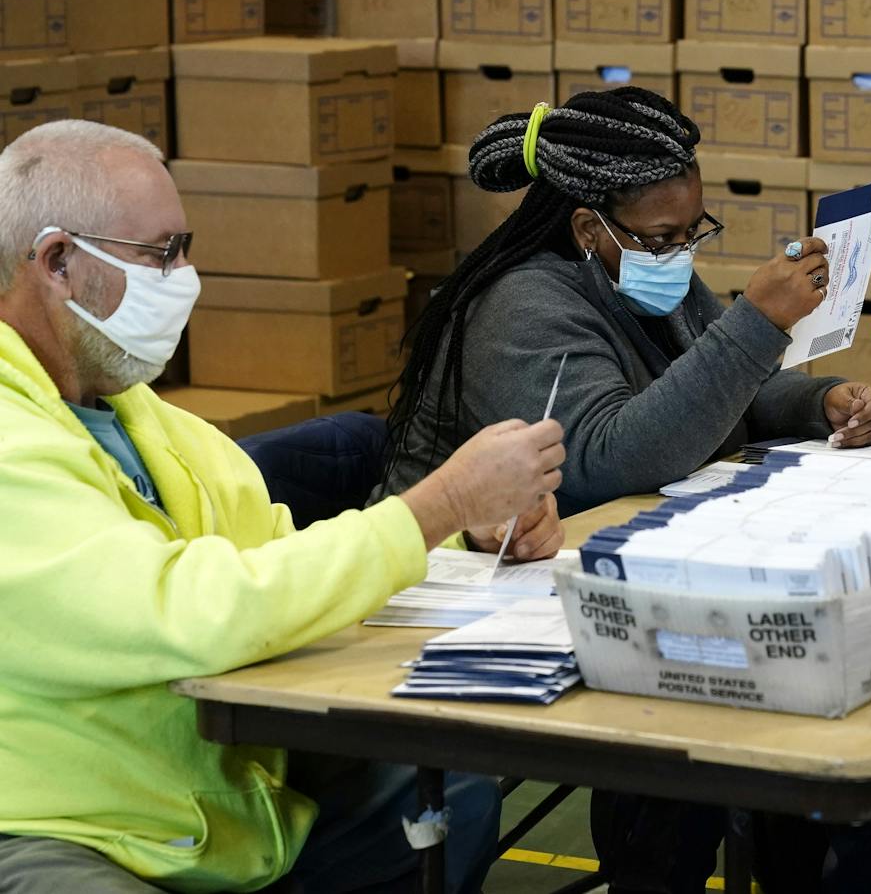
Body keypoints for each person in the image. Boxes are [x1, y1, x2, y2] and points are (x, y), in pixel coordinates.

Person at [0, 120, 567, 893]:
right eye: (163, 253)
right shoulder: (12, 442)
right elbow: (193, 609)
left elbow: (284, 577)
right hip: (71, 826)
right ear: (60, 262)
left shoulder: (147, 419)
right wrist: (439, 501)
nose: (187, 276)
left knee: (448, 799)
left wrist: (468, 537)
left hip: (213, 799)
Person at [382, 87, 871, 516]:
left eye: (693, 231)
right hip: (454, 570)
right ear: (587, 229)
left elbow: (735, 392)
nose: (681, 252)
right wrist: (757, 321)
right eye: (663, 236)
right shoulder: (518, 306)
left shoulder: (639, 265)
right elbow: (604, 461)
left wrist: (822, 402)